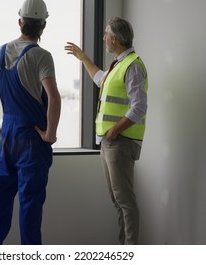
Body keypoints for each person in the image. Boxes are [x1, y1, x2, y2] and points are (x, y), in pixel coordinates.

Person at [0, 0, 61, 245]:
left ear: (20, 21)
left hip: (7, 139)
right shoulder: (41, 56)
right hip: (32, 139)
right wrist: (50, 134)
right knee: (30, 208)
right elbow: (53, 98)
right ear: (43, 26)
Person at [65, 17, 147, 245]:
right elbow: (101, 79)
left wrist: (115, 131)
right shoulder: (118, 64)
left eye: (105, 35)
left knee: (125, 201)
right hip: (110, 141)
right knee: (118, 200)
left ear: (115, 38)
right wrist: (83, 58)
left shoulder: (132, 65)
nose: (103, 39)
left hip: (120, 140)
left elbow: (139, 105)